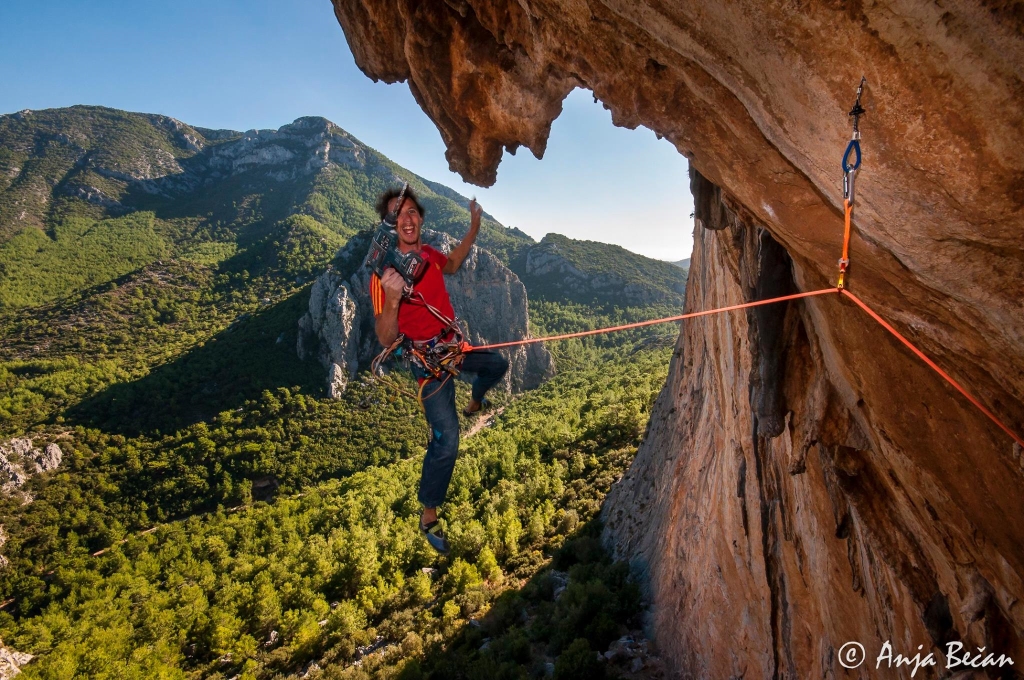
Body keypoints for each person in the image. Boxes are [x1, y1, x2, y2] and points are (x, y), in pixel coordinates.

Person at [369, 185, 509, 555]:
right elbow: (385, 338)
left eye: (412, 210)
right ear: (389, 224)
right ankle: (429, 513)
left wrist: (474, 226)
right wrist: (394, 298)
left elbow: (454, 263)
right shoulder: (383, 277)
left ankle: (476, 399)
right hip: (427, 364)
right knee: (447, 441)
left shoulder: (429, 254)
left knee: (497, 364)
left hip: (453, 346)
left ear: (420, 217)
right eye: (397, 214)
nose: (406, 218)